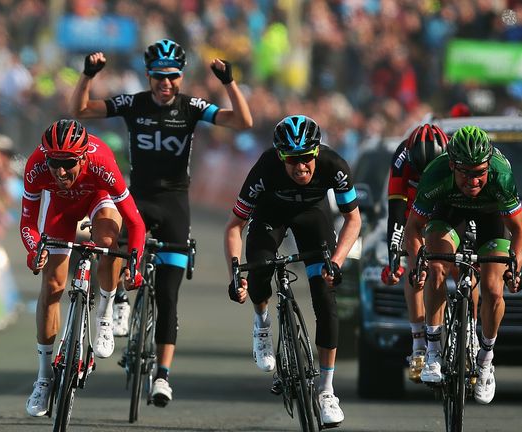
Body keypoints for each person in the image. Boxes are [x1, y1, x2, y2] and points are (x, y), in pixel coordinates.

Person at [70, 38, 253, 407]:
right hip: (136, 196)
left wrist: (229, 83)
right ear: (148, 76)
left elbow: (242, 121)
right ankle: (119, 298)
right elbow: (81, 110)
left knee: (168, 297)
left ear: (181, 77)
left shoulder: (190, 107)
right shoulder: (133, 103)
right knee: (114, 245)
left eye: (171, 77)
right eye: (158, 77)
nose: (165, 83)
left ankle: (162, 377)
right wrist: (87, 75)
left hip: (174, 203)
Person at [223, 115, 361, 426]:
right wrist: (235, 273)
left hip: (313, 217)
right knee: (259, 272)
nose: (301, 168)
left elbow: (353, 220)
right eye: (292, 161)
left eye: (306, 160)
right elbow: (235, 226)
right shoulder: (265, 168)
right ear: (280, 157)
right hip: (271, 215)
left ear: (316, 154)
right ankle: (262, 324)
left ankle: (326, 391)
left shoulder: (333, 164)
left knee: (325, 298)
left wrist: (336, 261)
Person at [21, 119, 146, 417]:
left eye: (68, 163)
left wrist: (135, 264)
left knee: (106, 241)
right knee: (52, 287)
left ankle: (104, 310)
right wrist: (32, 251)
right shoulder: (36, 166)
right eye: (54, 162)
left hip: (98, 200)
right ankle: (43, 378)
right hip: (60, 209)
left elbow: (135, 223)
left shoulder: (102, 163)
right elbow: (28, 223)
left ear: (84, 157)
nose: (60, 171)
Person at [402, 125, 522, 404]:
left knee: (494, 289)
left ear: (488, 166)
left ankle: (485, 361)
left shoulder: (500, 174)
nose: (473, 180)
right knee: (436, 268)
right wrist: (418, 262)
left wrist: (515, 266)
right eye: (466, 173)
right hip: (449, 213)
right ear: (451, 165)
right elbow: (413, 229)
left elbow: (520, 232)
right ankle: (433, 352)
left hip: (490, 216)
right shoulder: (435, 173)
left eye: (479, 172)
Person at [380, 123, 449, 383]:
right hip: (413, 208)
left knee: (462, 263)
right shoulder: (401, 158)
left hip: (447, 204)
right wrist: (393, 259)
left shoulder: (453, 154)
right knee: (414, 265)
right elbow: (396, 213)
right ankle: (419, 343)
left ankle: (471, 336)